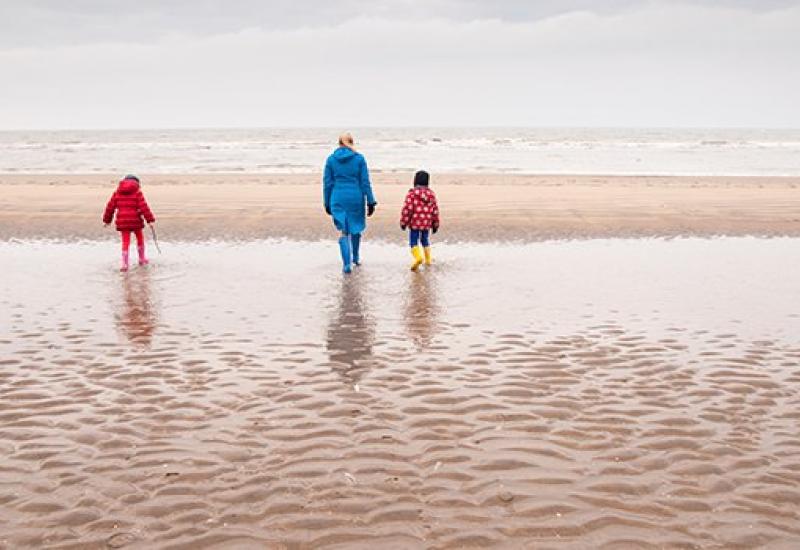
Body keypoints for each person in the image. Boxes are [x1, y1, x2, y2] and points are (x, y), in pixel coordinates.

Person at [323, 133, 377, 273]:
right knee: (356, 227)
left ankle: (346, 264)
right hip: (355, 197)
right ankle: (356, 257)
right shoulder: (359, 159)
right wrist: (371, 201)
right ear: (352, 143)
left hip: (338, 197)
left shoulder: (331, 160)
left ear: (339, 143)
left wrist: (327, 202)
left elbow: (327, 183)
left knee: (343, 231)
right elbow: (365, 182)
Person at [103, 174, 156, 272]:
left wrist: (107, 220)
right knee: (140, 238)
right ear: (137, 183)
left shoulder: (117, 193)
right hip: (135, 221)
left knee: (125, 242)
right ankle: (141, 259)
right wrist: (150, 220)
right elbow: (144, 207)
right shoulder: (137, 193)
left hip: (123, 222)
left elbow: (110, 207)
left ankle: (124, 264)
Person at [400, 170, 440, 271]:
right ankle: (428, 260)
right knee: (425, 240)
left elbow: (407, 209)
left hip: (414, 223)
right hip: (426, 223)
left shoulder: (412, 194)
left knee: (413, 242)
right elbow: (435, 210)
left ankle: (418, 258)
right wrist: (435, 224)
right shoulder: (431, 194)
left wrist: (403, 222)